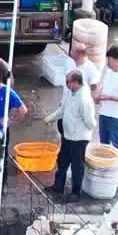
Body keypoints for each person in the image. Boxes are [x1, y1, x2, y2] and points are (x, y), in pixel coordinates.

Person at [44, 69, 96, 202]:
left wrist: (83, 130)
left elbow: (90, 121)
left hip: (79, 139)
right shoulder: (70, 93)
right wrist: (50, 118)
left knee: (77, 166)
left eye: (68, 82)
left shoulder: (84, 99)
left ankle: (75, 192)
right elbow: (62, 109)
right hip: (68, 135)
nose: (66, 84)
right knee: (62, 161)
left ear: (75, 82)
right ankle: (58, 186)